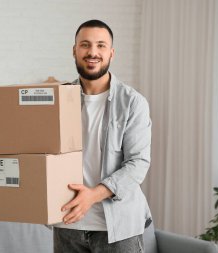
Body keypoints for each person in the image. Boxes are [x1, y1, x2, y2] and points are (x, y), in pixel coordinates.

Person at [53, 19, 152, 253]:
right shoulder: (56, 101)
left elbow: (138, 163)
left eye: (100, 45)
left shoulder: (132, 103)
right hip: (68, 224)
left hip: (118, 228)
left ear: (111, 53)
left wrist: (92, 196)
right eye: (85, 45)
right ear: (74, 50)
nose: (93, 52)